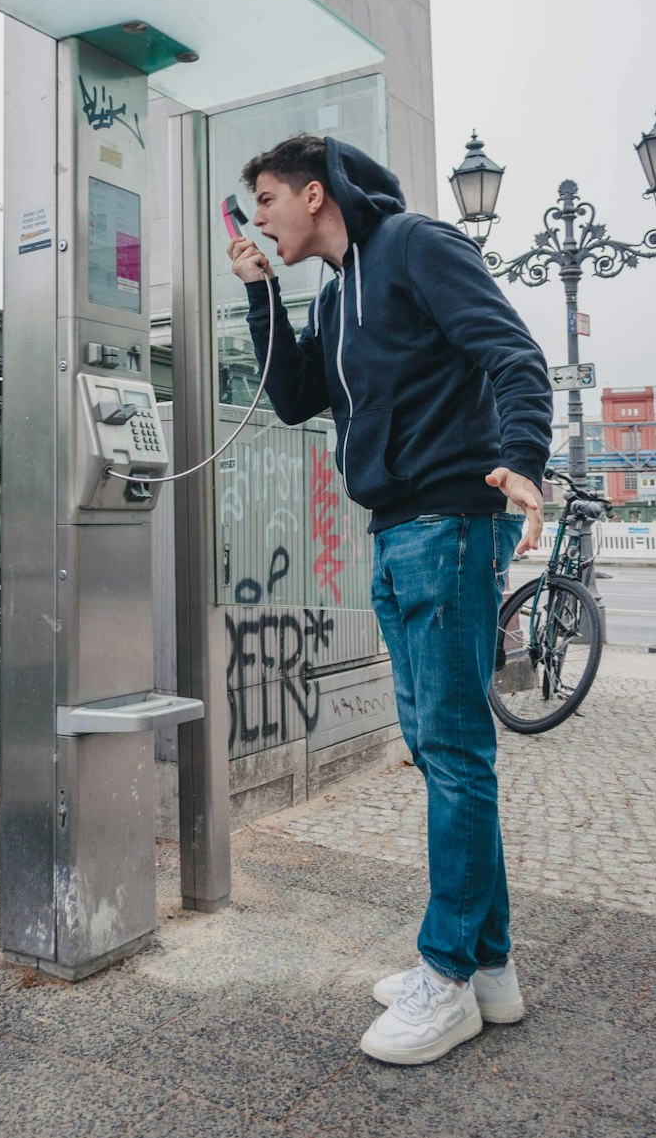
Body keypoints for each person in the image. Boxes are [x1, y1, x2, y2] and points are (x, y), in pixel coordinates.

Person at [228, 133, 553, 1066]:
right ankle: (488, 968)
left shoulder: (417, 246)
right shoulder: (334, 295)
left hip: (452, 520)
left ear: (317, 194)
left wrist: (523, 461)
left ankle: (444, 976)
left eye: (267, 202)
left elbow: (513, 354)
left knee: (453, 750)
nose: (260, 219)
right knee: (438, 747)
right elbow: (293, 399)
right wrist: (261, 293)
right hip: (400, 530)